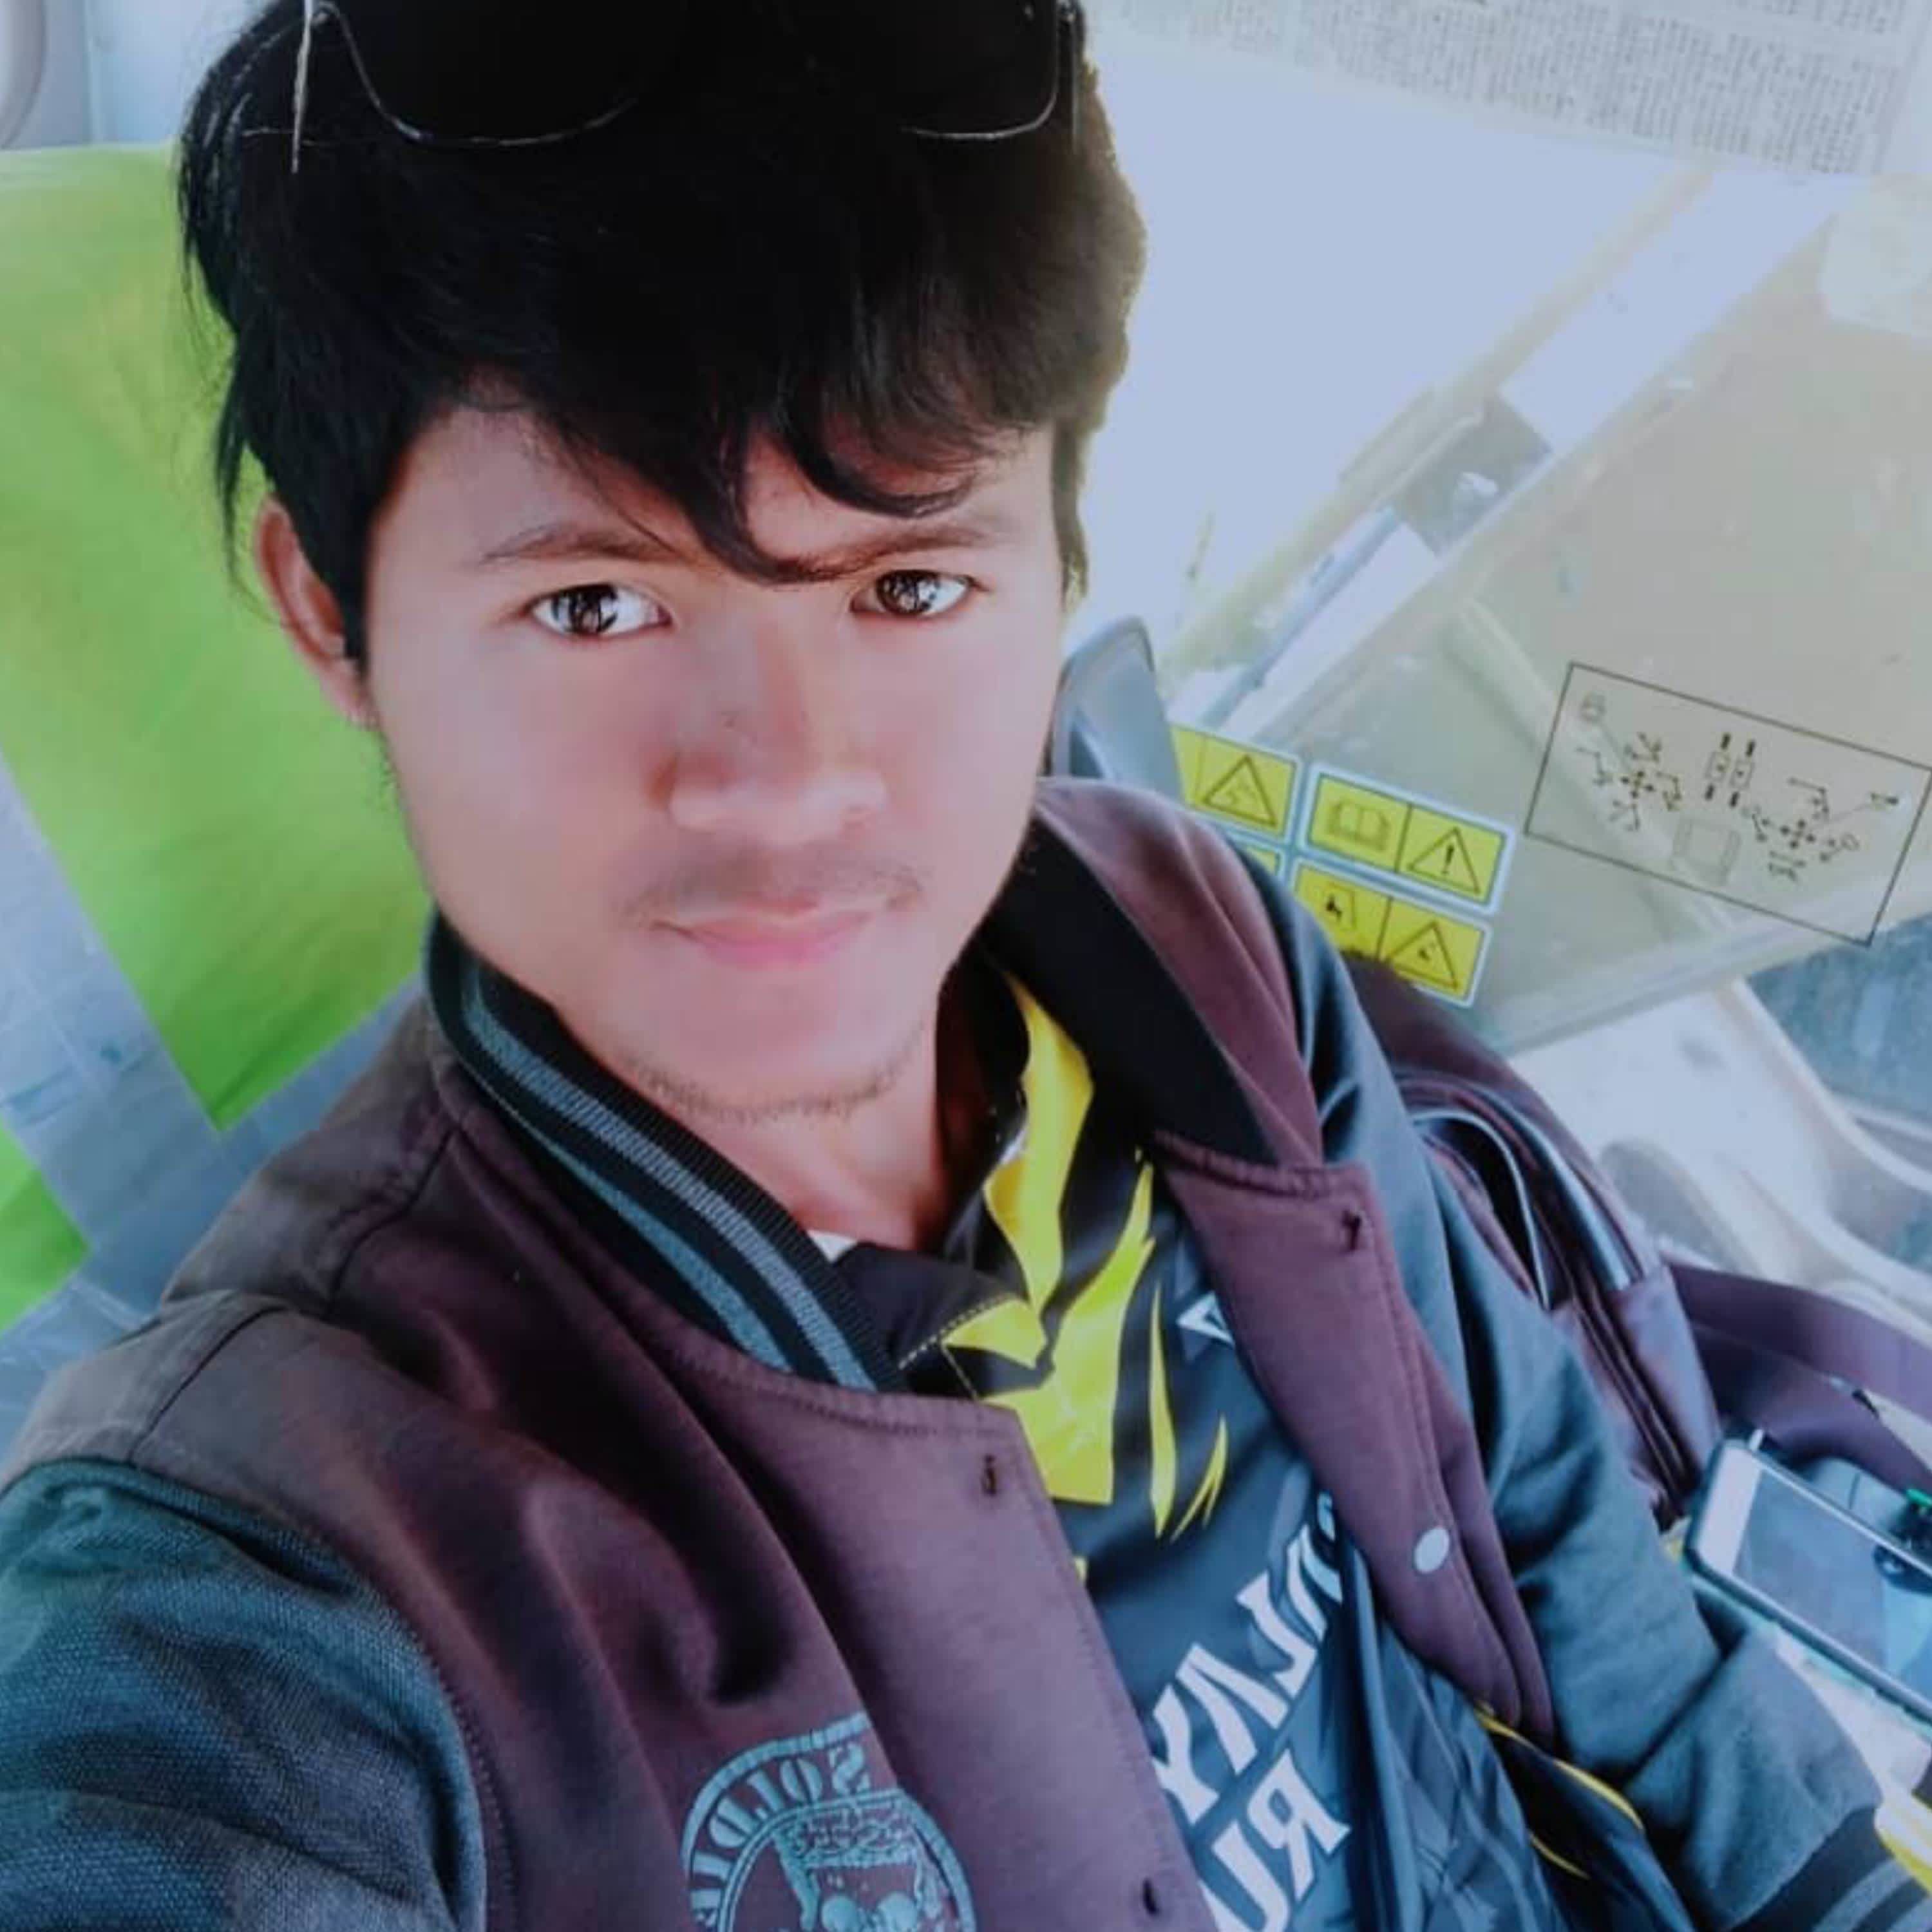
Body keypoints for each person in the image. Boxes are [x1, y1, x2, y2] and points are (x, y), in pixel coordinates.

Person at [0, 4, 1920, 1927]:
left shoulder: (1192, 943)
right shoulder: (284, 1555)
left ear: (1060, 567)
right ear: (333, 619)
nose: (787, 779)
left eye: (909, 584)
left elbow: (1544, 1509)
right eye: (592, 605)